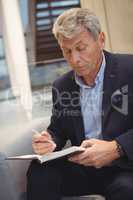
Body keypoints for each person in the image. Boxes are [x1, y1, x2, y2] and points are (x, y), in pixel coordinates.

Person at [27, 8, 133, 200]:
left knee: (125, 189)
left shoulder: (130, 69)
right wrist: (49, 140)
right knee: (39, 171)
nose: (74, 59)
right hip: (84, 167)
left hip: (124, 165)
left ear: (101, 39)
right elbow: (58, 130)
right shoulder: (62, 85)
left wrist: (116, 148)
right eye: (66, 51)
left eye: (80, 48)